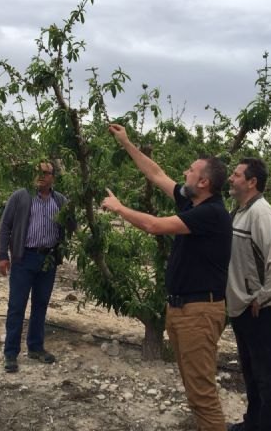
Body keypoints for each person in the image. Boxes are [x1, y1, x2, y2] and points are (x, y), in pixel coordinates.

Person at [101, 124, 232, 431]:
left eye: (190, 170)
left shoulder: (211, 213)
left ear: (203, 181)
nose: (184, 172)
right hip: (184, 310)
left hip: (199, 313)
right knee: (195, 390)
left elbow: (154, 226)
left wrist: (119, 208)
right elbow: (156, 174)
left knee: (202, 394)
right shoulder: (193, 201)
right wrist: (127, 143)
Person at [226, 158, 271, 431]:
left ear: (252, 182)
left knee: (269, 378)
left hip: (260, 310)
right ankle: (253, 424)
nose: (231, 178)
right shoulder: (241, 211)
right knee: (252, 373)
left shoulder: (261, 213)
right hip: (243, 307)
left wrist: (261, 297)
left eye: (237, 174)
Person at [0, 161, 70, 373]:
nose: (41, 176)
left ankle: (36, 347)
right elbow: (5, 227)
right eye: (38, 172)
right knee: (17, 306)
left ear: (53, 177)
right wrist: (3, 256)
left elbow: (70, 226)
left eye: (46, 173)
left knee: (41, 305)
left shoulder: (60, 200)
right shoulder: (20, 196)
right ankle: (11, 353)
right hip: (24, 258)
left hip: (47, 260)